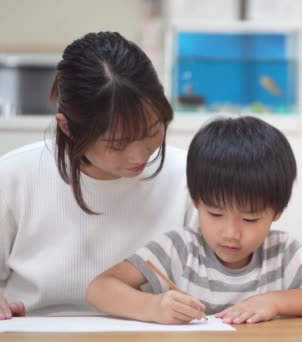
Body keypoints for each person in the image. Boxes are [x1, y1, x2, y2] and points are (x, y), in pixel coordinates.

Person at [0, 32, 196, 319]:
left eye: (153, 132)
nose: (139, 156)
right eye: (117, 144)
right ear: (67, 128)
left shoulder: (189, 176)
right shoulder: (15, 175)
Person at [86, 116, 302, 325]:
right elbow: (100, 288)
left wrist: (273, 302)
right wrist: (153, 307)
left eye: (250, 218)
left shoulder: (281, 252)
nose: (231, 233)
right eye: (215, 214)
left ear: (276, 212)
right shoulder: (179, 248)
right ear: (196, 200)